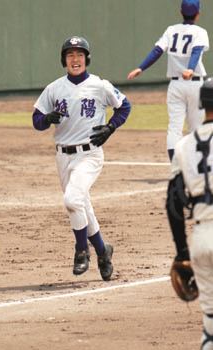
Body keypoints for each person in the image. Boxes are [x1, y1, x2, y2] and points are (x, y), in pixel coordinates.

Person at [32, 36, 131, 281]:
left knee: (72, 200)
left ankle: (81, 250)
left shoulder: (100, 85)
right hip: (63, 157)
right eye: (70, 55)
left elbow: (124, 106)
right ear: (64, 60)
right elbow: (36, 120)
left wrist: (110, 128)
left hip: (90, 154)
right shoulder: (54, 88)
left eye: (79, 55)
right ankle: (102, 250)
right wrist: (47, 119)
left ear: (87, 59)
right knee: (82, 206)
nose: (75, 59)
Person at [127, 0, 209, 161]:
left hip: (176, 85)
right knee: (196, 128)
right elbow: (196, 51)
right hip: (195, 84)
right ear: (198, 14)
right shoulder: (200, 31)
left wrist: (141, 68)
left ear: (181, 11)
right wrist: (191, 69)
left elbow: (157, 51)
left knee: (174, 128)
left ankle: (175, 167)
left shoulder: (171, 30)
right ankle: (196, 166)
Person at [166, 77, 213, 350]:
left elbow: (173, 203)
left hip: (200, 240)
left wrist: (182, 252)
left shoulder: (184, 145)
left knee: (210, 323)